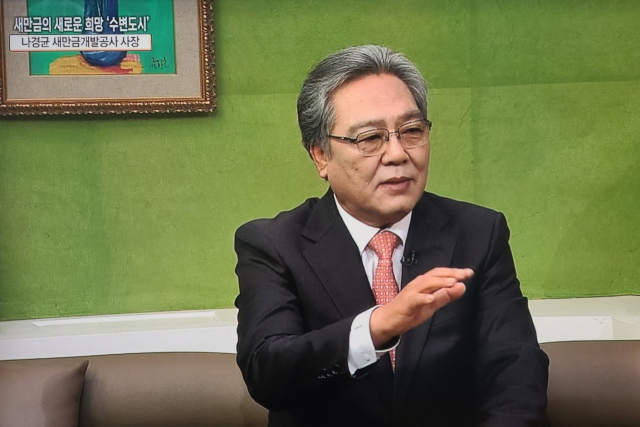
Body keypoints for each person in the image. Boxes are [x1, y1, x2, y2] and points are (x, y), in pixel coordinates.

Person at [234, 44, 549, 427]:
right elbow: (269, 373)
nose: (397, 154)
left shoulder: (479, 233)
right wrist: (378, 327)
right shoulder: (273, 244)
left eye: (412, 131)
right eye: (370, 138)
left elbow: (516, 373)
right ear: (321, 156)